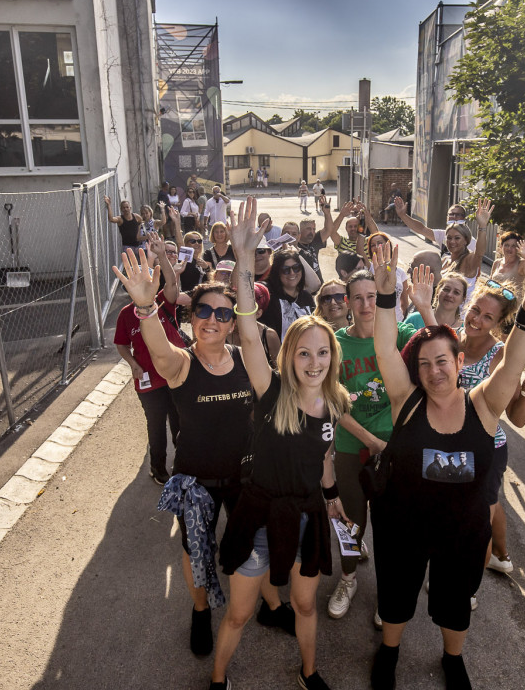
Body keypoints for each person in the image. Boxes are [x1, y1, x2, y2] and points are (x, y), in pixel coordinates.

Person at [367, 242, 525, 690]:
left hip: (462, 531)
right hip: (404, 525)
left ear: (460, 362)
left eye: (442, 362)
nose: (434, 371)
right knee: (396, 595)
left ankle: (453, 659)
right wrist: (387, 295)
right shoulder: (405, 403)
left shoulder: (484, 405)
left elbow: (511, 362)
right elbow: (385, 350)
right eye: (425, 364)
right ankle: (389, 652)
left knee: (454, 602)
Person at [110, 250, 289, 659]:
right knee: (197, 548)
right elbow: (157, 352)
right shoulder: (181, 364)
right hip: (196, 482)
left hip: (246, 478)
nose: (212, 318)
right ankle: (200, 610)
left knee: (254, 544)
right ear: (192, 319)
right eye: (204, 310)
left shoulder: (248, 359)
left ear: (234, 322)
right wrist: (145, 305)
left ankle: (272, 607)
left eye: (223, 314)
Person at [208, 198, 351, 690]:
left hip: (308, 514)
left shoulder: (334, 403)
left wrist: (332, 500)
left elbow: (326, 459)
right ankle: (218, 679)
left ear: (332, 357)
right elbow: (248, 335)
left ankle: (309, 673)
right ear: (289, 356)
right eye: (304, 353)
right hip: (260, 515)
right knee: (238, 615)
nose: (314, 362)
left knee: (306, 603)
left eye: (323, 353)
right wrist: (246, 260)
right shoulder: (271, 393)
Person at [451, 276, 525, 577]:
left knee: (478, 517)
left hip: (487, 448)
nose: (477, 319)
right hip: (449, 446)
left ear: (498, 323)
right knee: (480, 504)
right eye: (475, 310)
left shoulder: (499, 354)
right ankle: (500, 554)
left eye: (488, 317)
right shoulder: (448, 339)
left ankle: (467, 588)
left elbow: (518, 418)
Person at [327, 269, 417, 621]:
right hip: (352, 445)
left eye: (373, 296)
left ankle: (388, 590)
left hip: (396, 445)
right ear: (347, 302)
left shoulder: (401, 335)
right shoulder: (336, 343)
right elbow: (332, 401)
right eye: (358, 297)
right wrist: (370, 440)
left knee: (392, 523)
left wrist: (423, 303)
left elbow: (444, 341)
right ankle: (348, 578)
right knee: (351, 520)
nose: (367, 305)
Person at [113, 252, 185, 484]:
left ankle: (183, 464)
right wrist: (133, 364)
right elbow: (122, 345)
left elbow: (172, 283)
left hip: (175, 376)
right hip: (149, 381)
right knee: (156, 427)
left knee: (181, 424)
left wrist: (162, 255)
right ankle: (158, 468)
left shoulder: (164, 302)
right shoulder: (125, 315)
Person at [260, 247, 318, 339]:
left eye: (296, 268)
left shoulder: (306, 297)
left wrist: (297, 254)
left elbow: (315, 284)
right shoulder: (267, 295)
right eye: (285, 269)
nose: (292, 273)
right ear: (277, 272)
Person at [393, 197, 477, 254]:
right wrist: (403, 215)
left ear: (464, 218)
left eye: (458, 215)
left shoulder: (471, 241)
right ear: (447, 218)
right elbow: (421, 229)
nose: (454, 217)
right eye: (451, 214)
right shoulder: (442, 235)